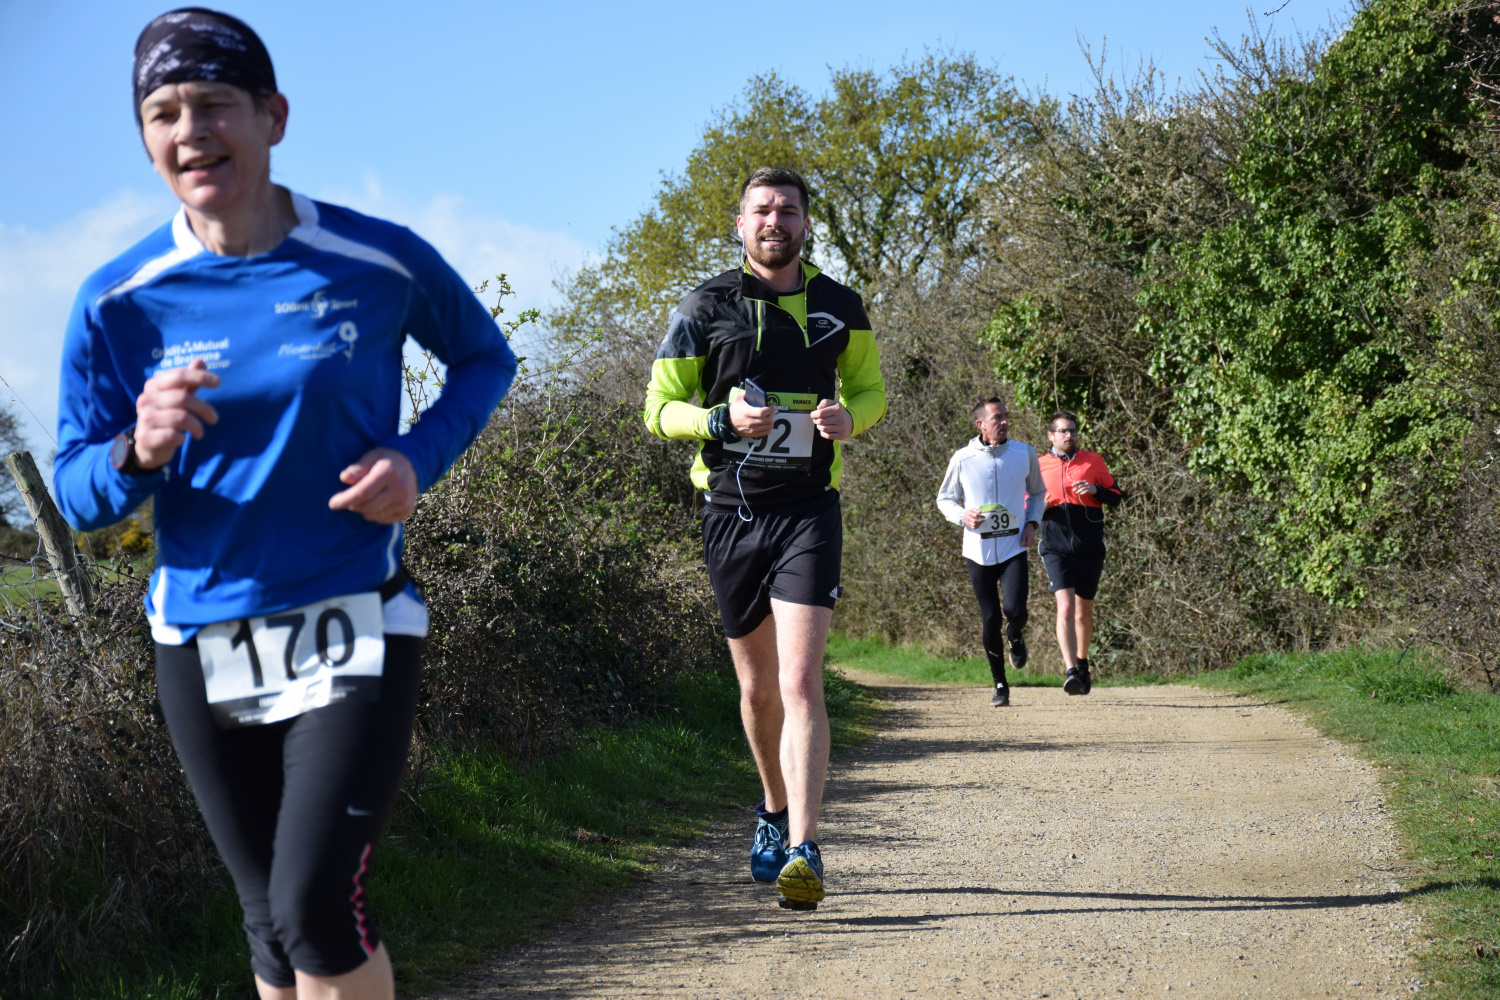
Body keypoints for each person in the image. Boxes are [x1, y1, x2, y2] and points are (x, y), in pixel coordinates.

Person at [53, 10, 517, 998]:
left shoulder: (375, 259)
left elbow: (485, 358)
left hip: (352, 613)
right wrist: (136, 451)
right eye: (164, 113)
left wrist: (417, 458)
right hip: (201, 639)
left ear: (274, 117)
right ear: (145, 138)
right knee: (269, 927)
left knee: (315, 911)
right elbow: (75, 489)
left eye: (215, 104)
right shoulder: (116, 301)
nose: (191, 131)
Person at [642, 167, 886, 910]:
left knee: (800, 681)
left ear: (807, 224)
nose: (774, 220)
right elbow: (659, 407)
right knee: (756, 690)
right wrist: (719, 420)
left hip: (809, 509)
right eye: (761, 210)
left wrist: (852, 418)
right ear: (741, 224)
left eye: (788, 210)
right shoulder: (703, 306)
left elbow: (870, 389)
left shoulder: (842, 306)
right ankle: (774, 810)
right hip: (732, 511)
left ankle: (805, 849)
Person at [936, 397, 1044, 707]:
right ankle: (1000, 685)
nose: (1004, 422)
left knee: (1014, 610)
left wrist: (1032, 524)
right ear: (980, 424)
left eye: (1006, 416)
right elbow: (944, 499)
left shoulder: (1024, 453)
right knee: (990, 617)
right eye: (997, 418)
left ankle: (1016, 634)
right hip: (977, 551)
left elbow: (1038, 493)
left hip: (1013, 547)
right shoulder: (963, 458)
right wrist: (963, 516)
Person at [1037, 410, 1122, 695]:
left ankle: (1083, 663)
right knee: (1065, 607)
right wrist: (1039, 507)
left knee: (1083, 613)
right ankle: (1071, 671)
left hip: (1089, 546)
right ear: (1051, 436)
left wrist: (1096, 489)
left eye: (1073, 430)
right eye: (1063, 431)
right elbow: (1024, 505)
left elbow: (1116, 497)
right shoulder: (1039, 465)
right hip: (1055, 547)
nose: (1069, 435)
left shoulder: (1093, 461)